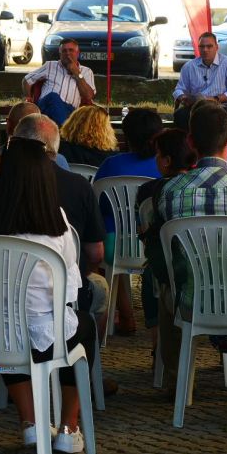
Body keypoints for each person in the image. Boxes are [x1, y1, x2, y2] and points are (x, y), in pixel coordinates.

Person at [0, 138, 95, 453]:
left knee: (6, 325)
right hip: (43, 341)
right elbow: (70, 289)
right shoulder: (57, 225)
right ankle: (69, 428)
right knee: (83, 326)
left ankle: (30, 422)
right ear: (45, 179)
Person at [152, 103, 227, 390]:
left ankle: (174, 379)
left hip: (190, 302)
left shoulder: (171, 191)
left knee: (167, 284)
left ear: (190, 141)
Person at [15, 114, 112, 348]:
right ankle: (87, 376)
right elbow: (95, 254)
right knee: (99, 290)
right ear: (54, 152)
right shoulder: (77, 187)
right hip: (58, 300)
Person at [93, 107, 162, 335]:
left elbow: (98, 205)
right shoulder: (165, 166)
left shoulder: (111, 166)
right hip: (154, 248)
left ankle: (124, 316)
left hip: (115, 248)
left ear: (126, 136)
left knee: (110, 252)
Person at [136, 127, 199, 379]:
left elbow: (145, 234)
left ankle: (158, 347)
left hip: (174, 275)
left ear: (166, 160)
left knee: (153, 272)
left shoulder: (150, 191)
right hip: (217, 278)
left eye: (158, 154)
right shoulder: (202, 187)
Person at [172, 32, 227, 126]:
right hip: (196, 106)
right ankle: (188, 141)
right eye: (202, 46)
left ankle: (205, 141)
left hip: (220, 107)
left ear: (217, 47)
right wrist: (183, 97)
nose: (205, 50)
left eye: (209, 46)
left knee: (210, 119)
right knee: (180, 115)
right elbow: (178, 89)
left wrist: (216, 99)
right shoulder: (189, 66)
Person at [21, 38, 96, 126]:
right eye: (64, 51)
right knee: (53, 96)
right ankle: (64, 131)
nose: (67, 53)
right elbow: (27, 79)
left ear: (77, 53)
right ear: (60, 54)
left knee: (57, 108)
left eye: (71, 50)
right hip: (45, 106)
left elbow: (88, 96)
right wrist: (28, 96)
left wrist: (77, 73)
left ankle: (61, 130)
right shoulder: (50, 65)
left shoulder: (86, 71)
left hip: (70, 111)